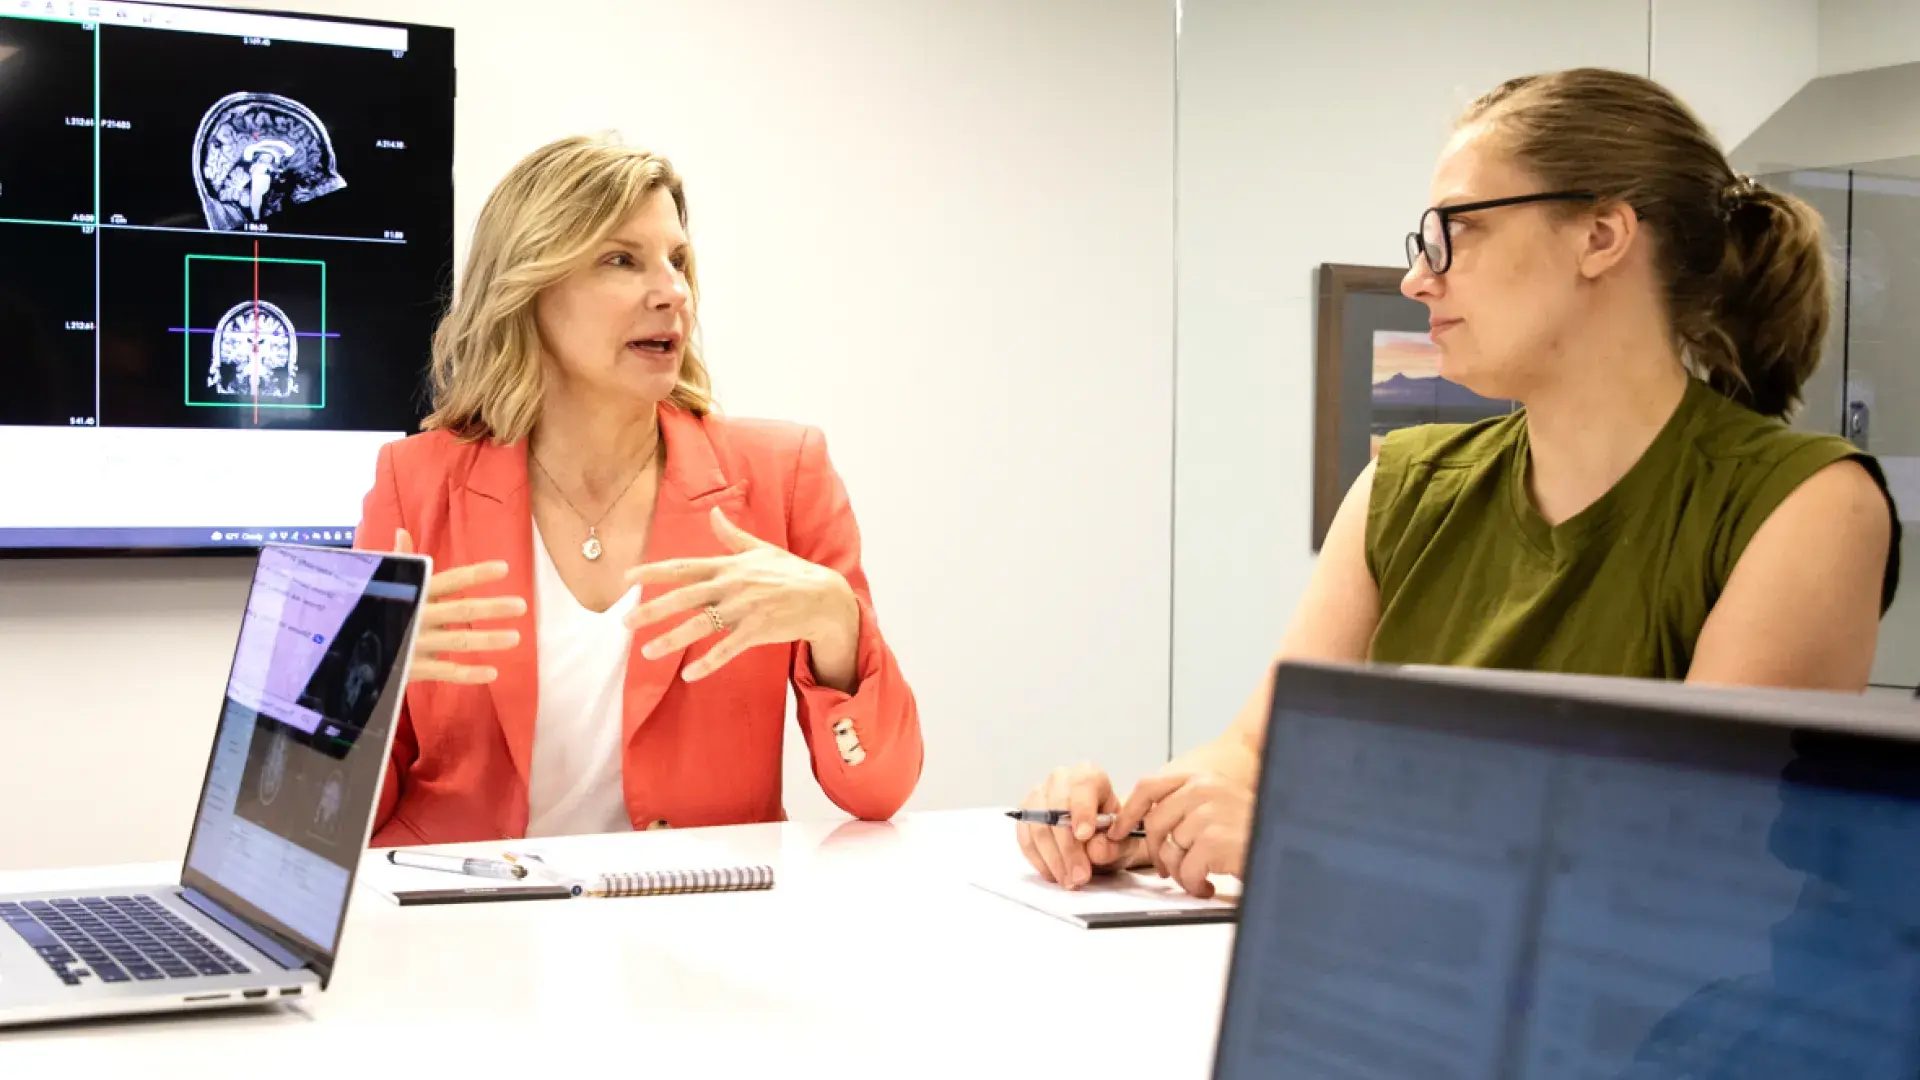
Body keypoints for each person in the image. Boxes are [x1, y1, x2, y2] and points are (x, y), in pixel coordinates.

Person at [1017, 67, 1902, 897]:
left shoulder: (1807, 506)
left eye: (1457, 231)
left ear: (1601, 236)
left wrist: (1310, 832)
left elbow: (1692, 849)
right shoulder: (1401, 488)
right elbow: (1256, 753)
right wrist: (1137, 817)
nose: (1416, 277)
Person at [355, 134, 922, 847]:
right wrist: (357, 683)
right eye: (622, 260)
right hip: (461, 921)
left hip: (699, 920)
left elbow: (878, 790)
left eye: (678, 262)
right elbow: (337, 821)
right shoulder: (415, 484)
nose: (672, 293)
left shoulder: (784, 474)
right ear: (531, 287)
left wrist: (839, 625)